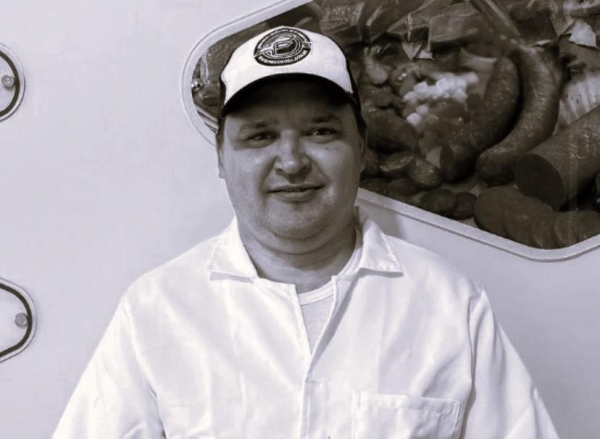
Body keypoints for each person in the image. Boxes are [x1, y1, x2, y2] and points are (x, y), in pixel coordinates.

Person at [53, 26, 560, 438]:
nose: (292, 161)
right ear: (221, 158)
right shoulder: (157, 310)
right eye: (260, 136)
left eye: (320, 131)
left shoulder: (449, 303)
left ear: (361, 147)